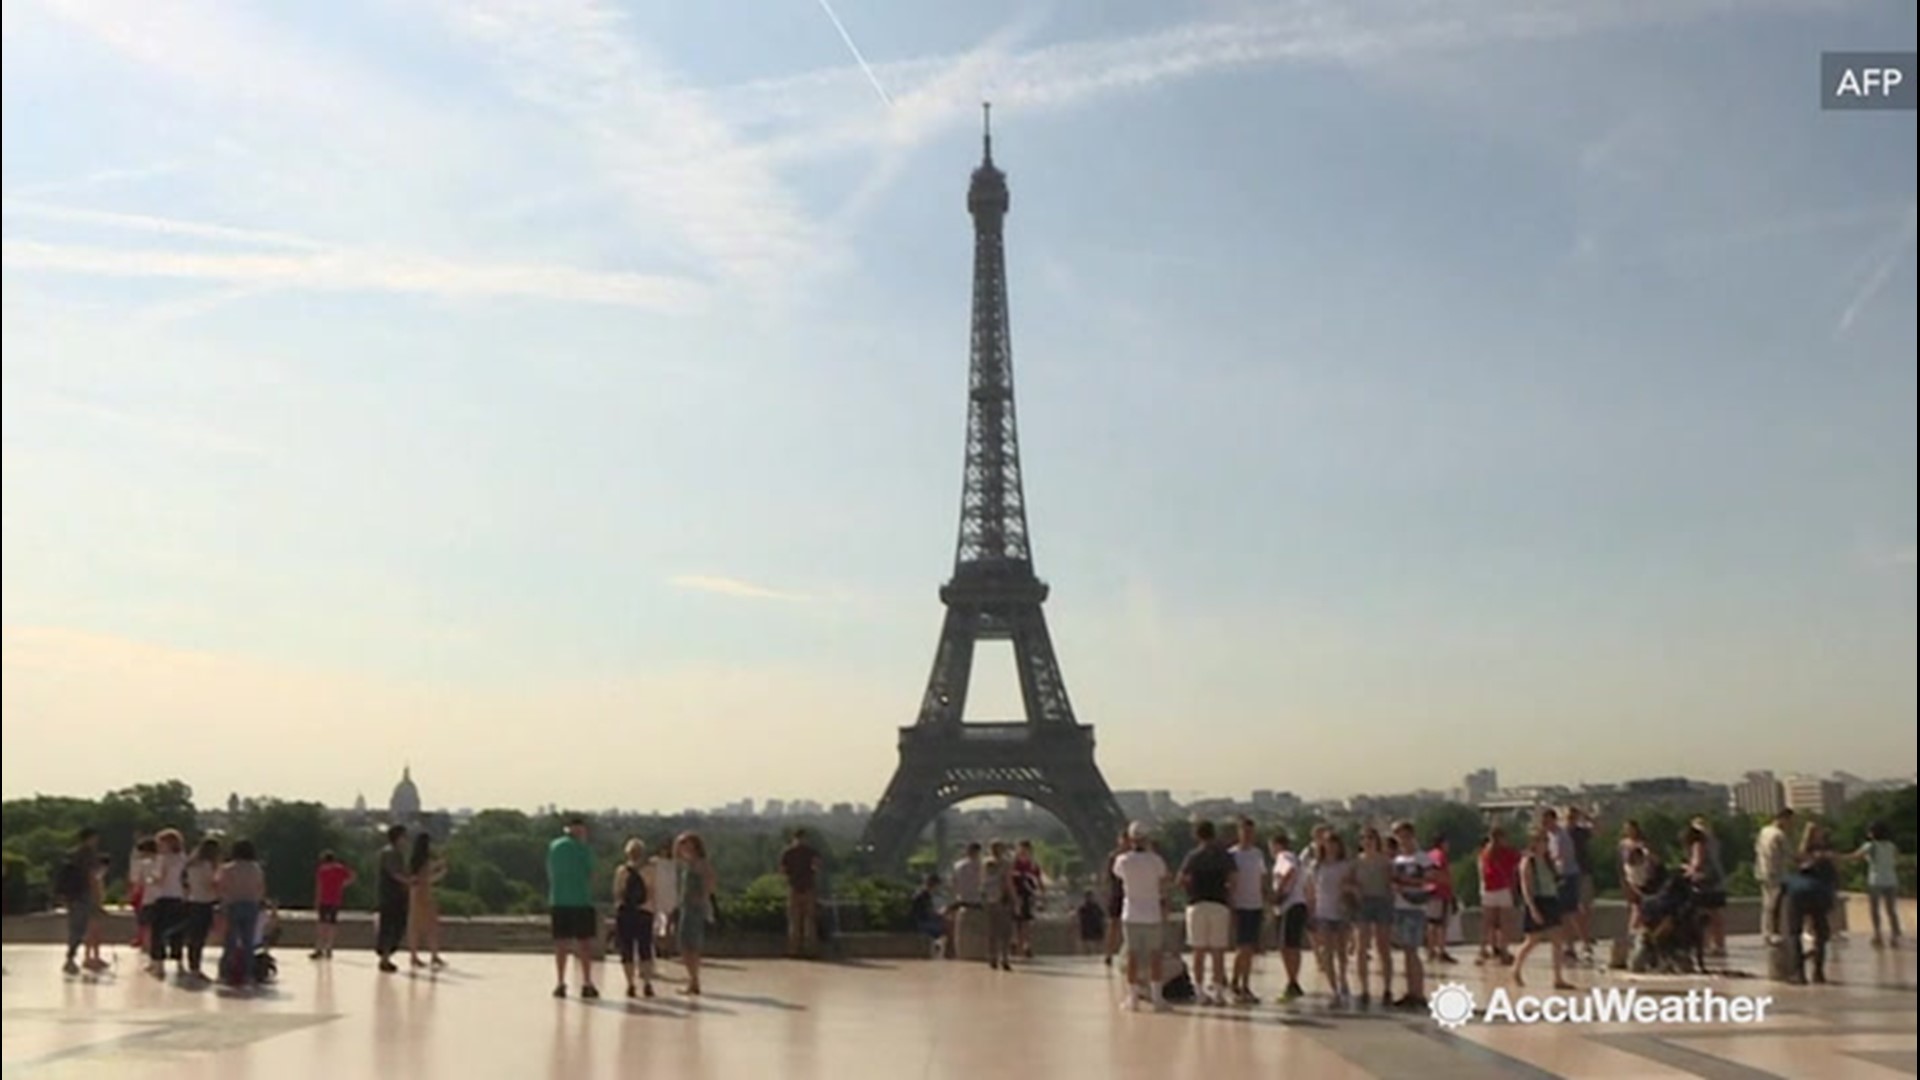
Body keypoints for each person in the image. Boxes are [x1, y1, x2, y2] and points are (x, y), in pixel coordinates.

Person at [1178, 819, 1237, 1005]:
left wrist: (1190, 889)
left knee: (1198, 951)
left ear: (1197, 835)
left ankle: (1200, 991)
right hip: (1219, 904)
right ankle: (1219, 991)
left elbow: (1180, 879)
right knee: (1218, 952)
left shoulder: (1193, 856)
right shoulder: (1225, 855)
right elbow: (1234, 880)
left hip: (1197, 903)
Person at [1112, 822, 1170, 1011]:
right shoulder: (1156, 861)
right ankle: (1157, 997)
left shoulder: (1123, 861)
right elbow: (1163, 883)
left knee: (1133, 957)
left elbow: (1118, 874)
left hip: (1131, 913)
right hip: (1152, 913)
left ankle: (1133, 998)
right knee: (1155, 957)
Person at [1511, 826, 1570, 991]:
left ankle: (1558, 977)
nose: (1544, 844)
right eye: (1541, 840)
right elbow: (1526, 888)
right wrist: (1533, 909)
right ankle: (1516, 969)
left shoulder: (1548, 860)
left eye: (1546, 840)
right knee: (1532, 940)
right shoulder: (1527, 862)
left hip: (1551, 899)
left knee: (1557, 940)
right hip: (1538, 901)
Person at [547, 816, 599, 999]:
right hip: (581, 900)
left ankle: (560, 982)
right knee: (584, 944)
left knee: (561, 944)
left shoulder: (554, 846)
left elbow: (551, 871)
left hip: (559, 900)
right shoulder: (584, 849)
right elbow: (592, 874)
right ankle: (586, 982)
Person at [1785, 823, 1839, 984]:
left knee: (1795, 933)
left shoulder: (1802, 855)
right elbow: (1834, 879)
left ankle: (1798, 973)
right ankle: (1818, 972)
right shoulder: (1827, 856)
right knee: (1821, 934)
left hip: (1799, 895)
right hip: (1820, 896)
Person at [1307, 832, 1355, 1006]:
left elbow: (1353, 886)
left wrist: (1348, 890)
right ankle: (1334, 988)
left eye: (1334, 843)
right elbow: (1311, 891)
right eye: (1328, 843)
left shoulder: (1345, 866)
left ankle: (1342, 979)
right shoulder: (1316, 866)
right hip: (1323, 912)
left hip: (1341, 911)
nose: (1331, 847)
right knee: (1327, 952)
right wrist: (1310, 912)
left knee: (1341, 951)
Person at [1226, 817, 1268, 1004]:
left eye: (1251, 832)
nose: (1249, 835)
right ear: (1239, 832)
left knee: (1249, 948)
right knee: (1243, 947)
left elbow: (1262, 879)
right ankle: (1237, 982)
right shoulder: (1232, 855)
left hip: (1255, 904)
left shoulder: (1258, 854)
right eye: (1245, 831)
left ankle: (1243, 983)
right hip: (1240, 905)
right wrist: (1231, 904)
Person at [1352, 826, 1395, 1007]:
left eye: (1371, 838)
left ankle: (1387, 988)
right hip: (1363, 902)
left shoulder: (1384, 861)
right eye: (1364, 838)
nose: (1368, 841)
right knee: (1361, 947)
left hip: (1381, 901)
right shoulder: (1356, 862)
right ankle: (1364, 989)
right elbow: (1349, 881)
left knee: (1383, 946)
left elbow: (1389, 883)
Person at [215, 839, 267, 988]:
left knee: (230, 941)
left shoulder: (228, 868)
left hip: (233, 904)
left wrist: (224, 901)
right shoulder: (256, 868)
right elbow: (261, 888)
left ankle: (225, 973)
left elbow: (220, 886)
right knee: (248, 942)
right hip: (251, 905)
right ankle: (248, 975)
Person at [674, 832, 718, 995]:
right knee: (685, 944)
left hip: (694, 907)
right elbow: (675, 857)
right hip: (686, 905)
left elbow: (711, 883)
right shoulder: (688, 863)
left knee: (690, 944)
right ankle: (693, 979)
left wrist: (703, 898)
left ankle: (694, 980)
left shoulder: (700, 864)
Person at [613, 839, 657, 998]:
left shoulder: (621, 871)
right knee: (645, 949)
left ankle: (630, 983)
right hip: (645, 912)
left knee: (627, 950)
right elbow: (653, 893)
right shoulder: (651, 871)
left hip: (625, 913)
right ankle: (647, 982)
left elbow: (617, 893)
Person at [142, 829, 189, 978]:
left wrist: (149, 879)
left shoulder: (163, 859)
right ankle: (180, 964)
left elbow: (159, 878)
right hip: (179, 897)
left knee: (158, 932)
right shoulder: (183, 858)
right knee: (177, 933)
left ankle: (159, 965)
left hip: (163, 897)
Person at [1269, 828, 1308, 1001]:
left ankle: (1292, 982)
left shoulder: (1283, 857)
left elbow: (1289, 871)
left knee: (1286, 946)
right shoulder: (1295, 857)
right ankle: (1293, 981)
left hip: (1289, 905)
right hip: (1297, 904)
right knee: (1292, 945)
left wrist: (1280, 893)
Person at [56, 828, 100, 976]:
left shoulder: (71, 854)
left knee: (74, 926)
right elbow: (91, 876)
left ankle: (71, 956)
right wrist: (96, 896)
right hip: (83, 894)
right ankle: (70, 956)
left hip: (72, 895)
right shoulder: (88, 855)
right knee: (79, 927)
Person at [1851, 822, 1902, 947]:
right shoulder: (1891, 846)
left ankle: (1877, 934)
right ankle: (1895, 935)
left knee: (1875, 909)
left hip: (1876, 880)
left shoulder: (1870, 846)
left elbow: (1855, 856)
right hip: (1891, 880)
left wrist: (1834, 857)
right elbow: (1896, 859)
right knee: (1891, 910)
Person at [182, 838, 222, 981]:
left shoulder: (192, 865)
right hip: (204, 902)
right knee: (200, 937)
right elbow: (211, 884)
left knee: (193, 937)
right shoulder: (207, 866)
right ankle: (195, 968)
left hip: (192, 901)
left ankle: (192, 966)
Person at [1478, 828, 1519, 966]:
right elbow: (1518, 860)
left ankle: (1483, 950)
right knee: (1504, 923)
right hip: (1502, 888)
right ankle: (1504, 951)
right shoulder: (1506, 852)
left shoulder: (1485, 853)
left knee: (1487, 923)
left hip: (1488, 890)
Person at [778, 829, 822, 960]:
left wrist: (790, 877)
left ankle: (794, 950)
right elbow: (817, 867)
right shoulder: (812, 852)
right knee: (809, 920)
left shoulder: (788, 853)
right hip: (809, 887)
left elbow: (782, 870)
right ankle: (811, 950)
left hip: (794, 887)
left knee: (794, 920)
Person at [407, 833, 448, 970]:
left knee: (415, 927)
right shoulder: (424, 862)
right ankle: (433, 954)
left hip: (415, 894)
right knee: (431, 926)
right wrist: (441, 870)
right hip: (424, 894)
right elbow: (427, 878)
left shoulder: (414, 861)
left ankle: (414, 955)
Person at [373, 825, 411, 973]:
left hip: (396, 895)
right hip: (390, 896)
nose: (406, 840)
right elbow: (395, 873)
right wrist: (410, 881)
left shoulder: (397, 853)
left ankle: (386, 956)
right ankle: (384, 957)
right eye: (404, 837)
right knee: (390, 927)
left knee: (398, 926)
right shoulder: (390, 853)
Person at [1755, 807, 1795, 945]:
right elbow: (1791, 855)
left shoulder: (1764, 831)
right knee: (1775, 905)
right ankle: (1775, 932)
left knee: (1767, 904)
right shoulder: (1779, 835)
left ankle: (1767, 932)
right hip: (1776, 873)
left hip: (1763, 871)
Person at [312, 851, 355, 960]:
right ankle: (329, 948)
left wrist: (316, 900)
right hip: (335, 900)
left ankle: (319, 948)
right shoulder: (340, 869)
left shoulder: (322, 870)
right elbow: (353, 876)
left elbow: (319, 886)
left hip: (324, 900)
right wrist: (343, 884)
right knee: (331, 925)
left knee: (322, 925)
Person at [948, 842, 984, 960]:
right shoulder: (982, 866)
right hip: (977, 901)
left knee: (957, 928)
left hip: (961, 900)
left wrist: (956, 895)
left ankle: (957, 952)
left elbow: (953, 883)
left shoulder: (957, 865)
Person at [1010, 840, 1045, 960]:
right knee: (1016, 921)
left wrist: (1041, 894)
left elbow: (1039, 880)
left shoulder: (1033, 865)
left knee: (1025, 921)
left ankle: (1025, 945)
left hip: (1027, 895)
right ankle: (1016, 942)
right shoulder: (1014, 864)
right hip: (1017, 894)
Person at [982, 856, 1015, 970]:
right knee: (1005, 933)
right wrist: (1014, 901)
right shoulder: (1002, 877)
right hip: (1002, 904)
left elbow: (982, 894)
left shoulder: (985, 880)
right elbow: (1009, 889)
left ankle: (993, 957)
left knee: (992, 933)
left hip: (991, 905)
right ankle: (1004, 957)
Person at [910, 875, 948, 957]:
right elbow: (928, 912)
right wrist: (940, 914)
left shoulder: (921, 893)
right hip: (921, 923)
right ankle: (941, 950)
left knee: (944, 924)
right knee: (946, 928)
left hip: (920, 920)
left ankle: (937, 947)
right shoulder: (924, 895)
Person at [1076, 889, 1106, 956]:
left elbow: (1102, 916)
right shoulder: (1083, 908)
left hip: (1095, 930)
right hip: (1087, 930)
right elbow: (1079, 919)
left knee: (1096, 949)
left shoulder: (1096, 907)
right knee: (1087, 949)